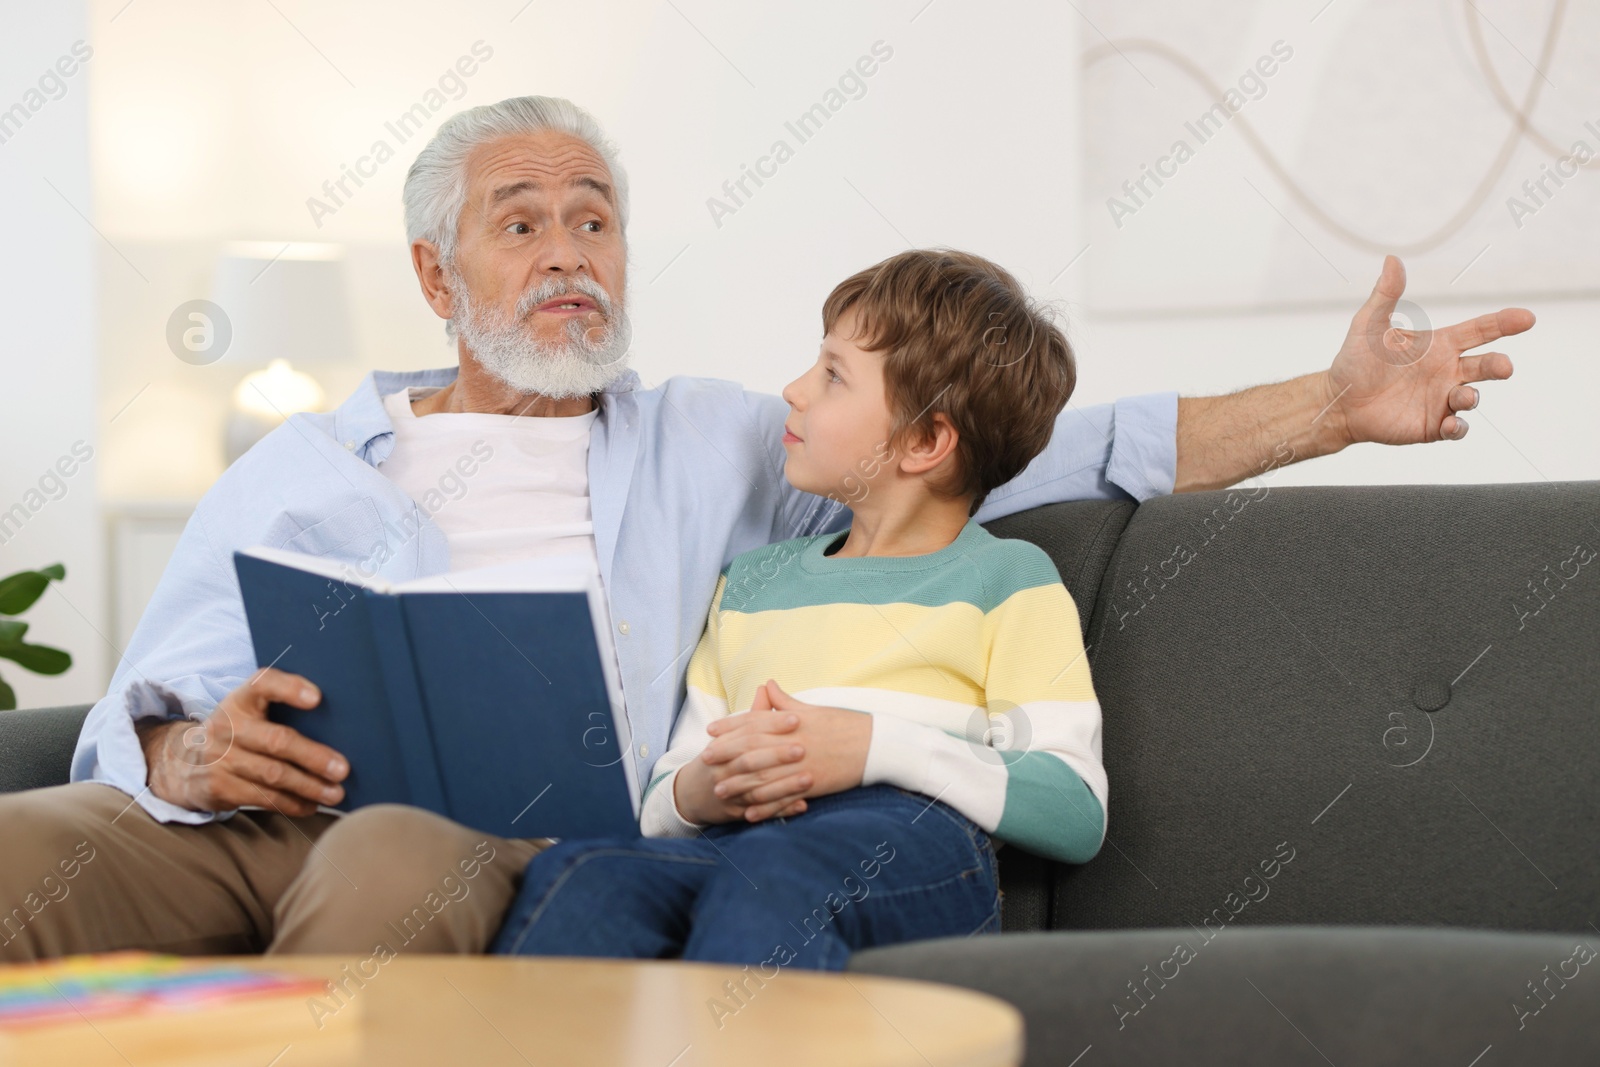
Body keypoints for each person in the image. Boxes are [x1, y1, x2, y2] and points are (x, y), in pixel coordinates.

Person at [0, 95, 1530, 961]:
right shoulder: (295, 465)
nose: (567, 254)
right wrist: (184, 752)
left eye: (593, 216)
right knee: (22, 854)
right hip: (231, 825)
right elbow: (146, 700)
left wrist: (1327, 410)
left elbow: (1034, 443)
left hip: (454, 846)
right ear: (430, 272)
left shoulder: (723, 440)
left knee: (392, 860)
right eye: (519, 220)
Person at [492, 248, 1108, 969]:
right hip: (740, 842)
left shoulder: (1007, 578)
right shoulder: (753, 583)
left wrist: (871, 747)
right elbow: (667, 799)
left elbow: (1073, 804)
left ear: (925, 441)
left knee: (778, 881)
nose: (793, 389)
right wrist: (707, 786)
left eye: (833, 375)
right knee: (581, 875)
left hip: (908, 845)